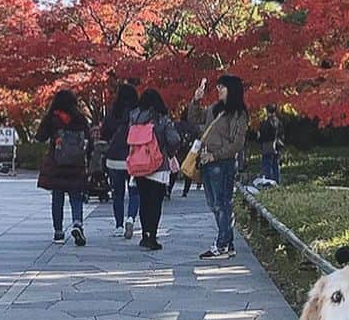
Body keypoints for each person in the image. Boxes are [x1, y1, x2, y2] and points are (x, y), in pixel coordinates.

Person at [187, 74, 247, 261]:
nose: (219, 90)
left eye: (223, 87)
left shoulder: (238, 113)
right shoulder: (214, 109)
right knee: (214, 204)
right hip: (206, 162)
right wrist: (195, 101)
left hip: (223, 163)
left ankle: (222, 244)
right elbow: (195, 121)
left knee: (222, 204)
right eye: (218, 87)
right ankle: (226, 243)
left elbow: (237, 143)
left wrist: (216, 154)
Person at [125, 88, 179, 250]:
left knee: (144, 201)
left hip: (139, 164)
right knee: (155, 203)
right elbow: (174, 139)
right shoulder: (161, 119)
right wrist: (169, 153)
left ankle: (145, 235)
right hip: (158, 164)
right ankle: (152, 237)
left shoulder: (134, 118)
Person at [35, 90, 91, 245]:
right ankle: (78, 223)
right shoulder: (80, 118)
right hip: (76, 164)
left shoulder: (53, 118)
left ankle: (58, 231)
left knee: (57, 197)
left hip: (57, 164)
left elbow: (40, 137)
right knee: (76, 196)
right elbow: (89, 139)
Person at [101, 82, 140, 237]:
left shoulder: (113, 112)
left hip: (114, 159)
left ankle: (118, 225)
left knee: (117, 193)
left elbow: (104, 133)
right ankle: (130, 218)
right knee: (135, 192)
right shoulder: (137, 114)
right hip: (133, 158)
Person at [258, 104, 282, 186]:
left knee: (267, 165)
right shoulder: (278, 121)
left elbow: (262, 135)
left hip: (267, 146)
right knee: (275, 165)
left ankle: (268, 183)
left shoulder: (266, 122)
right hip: (276, 145)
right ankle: (277, 182)